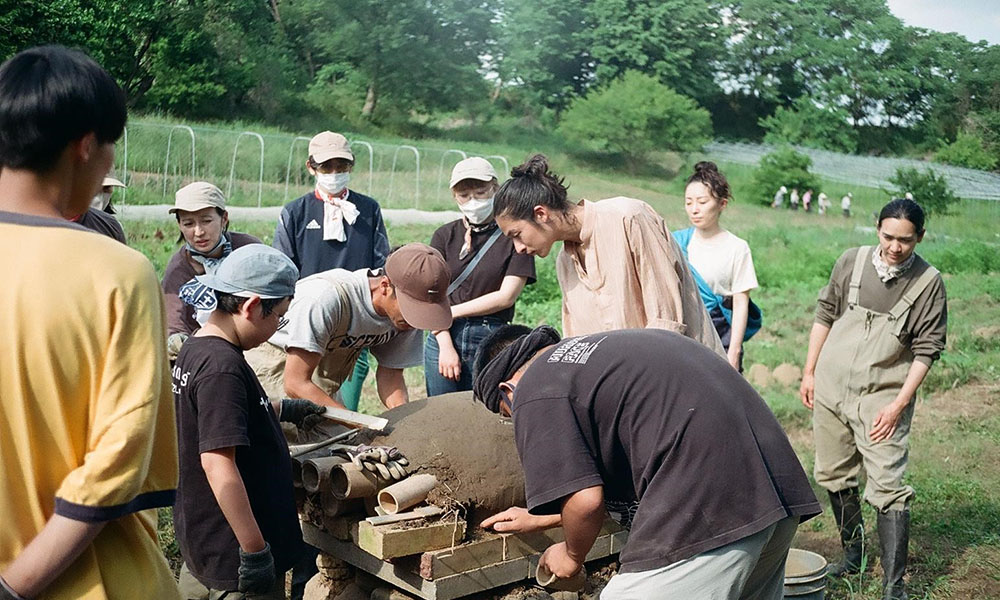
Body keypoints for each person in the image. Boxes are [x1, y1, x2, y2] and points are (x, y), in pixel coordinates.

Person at [0, 45, 180, 599]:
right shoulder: (117, 273)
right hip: (90, 579)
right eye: (110, 152)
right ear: (85, 147)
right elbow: (117, 458)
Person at [474, 326, 821, 599]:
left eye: (507, 414)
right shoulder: (602, 354)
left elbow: (586, 500)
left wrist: (571, 555)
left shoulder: (535, 387)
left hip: (710, 507)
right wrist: (543, 517)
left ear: (507, 390)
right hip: (776, 490)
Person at [800, 199, 947, 600]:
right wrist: (810, 371)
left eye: (906, 240)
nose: (895, 247)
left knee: (888, 486)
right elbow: (824, 314)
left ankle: (893, 587)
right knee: (833, 472)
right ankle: (852, 556)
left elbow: (927, 350)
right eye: (888, 236)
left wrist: (897, 405)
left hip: (882, 396)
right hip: (831, 388)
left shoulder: (928, 282)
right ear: (876, 229)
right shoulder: (852, 261)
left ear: (920, 236)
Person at [172, 244, 326, 599]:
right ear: (252, 306)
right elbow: (217, 463)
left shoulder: (200, 347)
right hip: (235, 555)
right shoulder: (222, 368)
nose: (277, 327)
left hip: (208, 541)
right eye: (279, 317)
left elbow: (221, 414)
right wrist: (255, 552)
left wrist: (281, 409)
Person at [492, 154, 724, 355]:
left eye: (517, 234)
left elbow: (666, 325)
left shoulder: (628, 218)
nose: (518, 248)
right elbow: (580, 342)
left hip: (684, 379)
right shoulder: (565, 262)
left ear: (541, 213)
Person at [245, 243, 452, 415]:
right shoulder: (326, 299)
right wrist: (356, 422)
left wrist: (405, 420)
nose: (414, 321)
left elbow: (391, 376)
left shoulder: (408, 316)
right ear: (385, 286)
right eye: (411, 309)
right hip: (274, 372)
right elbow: (295, 383)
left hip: (321, 384)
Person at [273, 131, 390, 411]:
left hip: (354, 320)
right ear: (311, 167)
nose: (335, 173)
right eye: (327, 167)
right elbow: (283, 269)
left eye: (342, 166)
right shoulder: (296, 212)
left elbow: (381, 262)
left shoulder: (368, 209)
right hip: (309, 320)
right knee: (303, 395)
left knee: (344, 402)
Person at [424, 157, 535, 395]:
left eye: (481, 192)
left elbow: (506, 296)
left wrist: (452, 312)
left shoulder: (513, 235)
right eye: (464, 195)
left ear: (495, 189)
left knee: (489, 414)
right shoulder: (444, 235)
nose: (473, 200)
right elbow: (432, 295)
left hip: (491, 337)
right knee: (442, 416)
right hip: (443, 335)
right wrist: (444, 343)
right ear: (455, 196)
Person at [674, 162, 761, 371]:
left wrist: (734, 351)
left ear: (722, 204)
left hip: (719, 333)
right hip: (683, 332)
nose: (694, 210)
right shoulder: (676, 243)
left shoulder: (737, 248)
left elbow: (741, 303)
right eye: (689, 202)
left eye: (702, 202)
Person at [162, 181, 261, 360]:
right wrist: (178, 341)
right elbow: (174, 325)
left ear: (224, 219)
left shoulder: (250, 250)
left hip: (257, 347)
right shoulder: (178, 271)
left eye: (206, 221)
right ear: (179, 225)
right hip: (206, 354)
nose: (198, 232)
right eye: (188, 223)